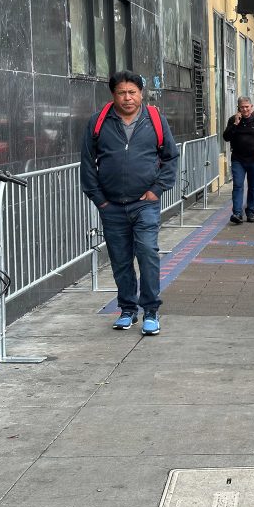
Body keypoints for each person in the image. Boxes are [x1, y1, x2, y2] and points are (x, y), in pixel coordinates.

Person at [80, 71, 179, 335]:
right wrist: (99, 200)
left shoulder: (155, 119)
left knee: (147, 253)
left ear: (141, 93)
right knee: (120, 259)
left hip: (144, 204)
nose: (127, 98)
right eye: (122, 93)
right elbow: (87, 164)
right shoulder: (99, 122)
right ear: (113, 94)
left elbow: (171, 156)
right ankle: (127, 309)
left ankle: (151, 311)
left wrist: (157, 189)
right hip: (111, 206)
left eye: (132, 92)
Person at [223, 97, 254, 224]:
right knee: (238, 185)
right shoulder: (233, 120)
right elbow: (226, 137)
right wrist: (235, 124)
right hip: (238, 160)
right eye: (242, 107)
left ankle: (250, 212)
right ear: (238, 108)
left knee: (253, 187)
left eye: (247, 107)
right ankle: (237, 213)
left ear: (251, 107)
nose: (245, 109)